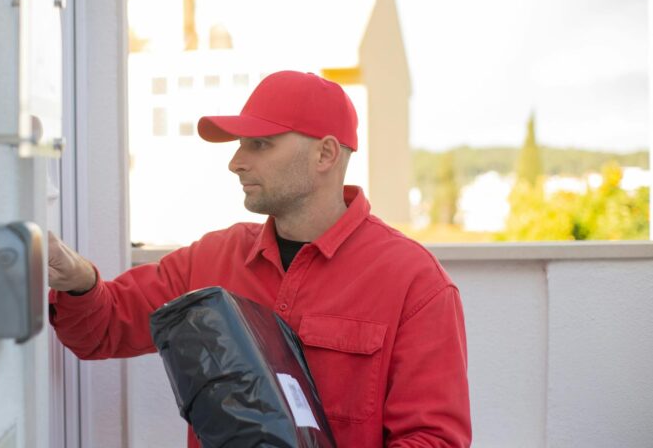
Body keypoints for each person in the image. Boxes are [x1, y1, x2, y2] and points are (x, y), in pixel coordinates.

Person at [48, 70, 472, 447]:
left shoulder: (414, 282)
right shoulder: (210, 259)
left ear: (325, 154)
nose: (236, 163)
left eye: (260, 144)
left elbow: (434, 440)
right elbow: (101, 330)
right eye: (240, 145)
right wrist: (78, 280)